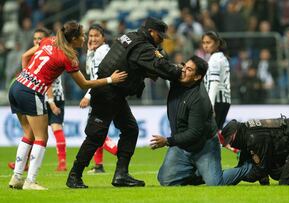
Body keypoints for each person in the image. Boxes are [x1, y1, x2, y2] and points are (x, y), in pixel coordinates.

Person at [8, 20, 127, 190]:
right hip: (30, 91)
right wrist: (110, 79)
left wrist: (28, 76)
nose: (85, 38)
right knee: (42, 137)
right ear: (74, 39)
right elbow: (84, 84)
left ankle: (16, 178)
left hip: (16, 86)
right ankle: (30, 181)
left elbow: (26, 56)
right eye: (82, 35)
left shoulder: (49, 40)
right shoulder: (69, 56)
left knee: (28, 134)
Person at [66, 17, 184, 189]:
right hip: (108, 93)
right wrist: (178, 71)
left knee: (130, 129)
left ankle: (121, 175)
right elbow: (161, 68)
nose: (161, 41)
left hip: (114, 93)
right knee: (96, 135)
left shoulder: (130, 37)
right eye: (160, 36)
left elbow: (135, 64)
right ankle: (74, 176)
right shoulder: (143, 47)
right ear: (151, 32)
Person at [150, 56, 252, 186]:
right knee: (166, 180)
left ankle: (248, 167)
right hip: (182, 145)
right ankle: (199, 173)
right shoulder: (178, 78)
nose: (183, 71)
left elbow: (194, 133)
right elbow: (163, 68)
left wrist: (167, 141)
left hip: (204, 146)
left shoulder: (199, 99)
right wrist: (158, 54)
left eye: (189, 69)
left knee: (215, 183)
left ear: (197, 77)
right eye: (184, 67)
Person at [8, 28, 68, 172]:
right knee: (34, 133)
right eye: (35, 39)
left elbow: (48, 81)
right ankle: (24, 165)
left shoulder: (49, 52)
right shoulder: (38, 54)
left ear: (48, 40)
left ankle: (62, 162)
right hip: (35, 93)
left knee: (52, 129)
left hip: (53, 96)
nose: (37, 41)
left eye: (40, 38)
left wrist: (52, 101)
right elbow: (24, 57)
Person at [80, 24, 118, 174]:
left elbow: (97, 77)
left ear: (103, 37)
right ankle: (98, 165)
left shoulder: (101, 53)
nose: (93, 39)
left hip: (100, 95)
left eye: (96, 36)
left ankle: (119, 152)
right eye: (90, 36)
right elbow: (91, 71)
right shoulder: (99, 51)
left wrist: (88, 96)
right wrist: (89, 51)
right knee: (98, 131)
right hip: (104, 94)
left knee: (94, 132)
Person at [201, 31, 231, 129]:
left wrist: (210, 104)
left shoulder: (215, 59)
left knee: (210, 135)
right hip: (225, 99)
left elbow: (214, 83)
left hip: (217, 100)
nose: (205, 46)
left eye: (208, 42)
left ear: (217, 43)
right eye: (203, 42)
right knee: (217, 133)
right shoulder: (222, 57)